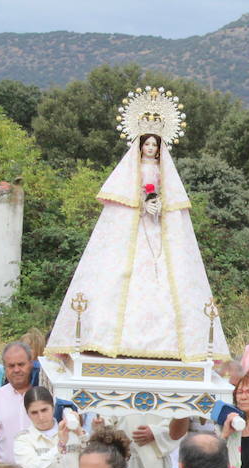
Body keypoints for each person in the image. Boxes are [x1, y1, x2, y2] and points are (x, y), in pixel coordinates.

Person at [44, 127, 227, 361]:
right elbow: (124, 203)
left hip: (158, 229)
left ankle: (172, 342)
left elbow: (171, 200)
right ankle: (103, 338)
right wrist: (142, 205)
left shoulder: (164, 171)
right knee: (118, 277)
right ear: (140, 146)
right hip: (132, 232)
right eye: (147, 144)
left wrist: (159, 205)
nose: (150, 148)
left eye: (154, 145)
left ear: (159, 149)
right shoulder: (130, 170)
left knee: (167, 277)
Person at [0, 341, 36, 467]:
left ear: (30, 364)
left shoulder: (43, 395)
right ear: (4, 368)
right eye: (11, 366)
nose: (16, 370)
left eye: (21, 364)